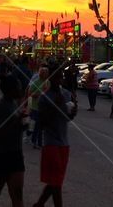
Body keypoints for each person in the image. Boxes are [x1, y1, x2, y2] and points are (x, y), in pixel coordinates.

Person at [35, 72, 77, 207]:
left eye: (60, 77)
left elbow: (68, 118)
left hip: (64, 142)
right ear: (50, 79)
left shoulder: (65, 94)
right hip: (51, 142)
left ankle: (39, 204)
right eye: (56, 77)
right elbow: (41, 122)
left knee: (56, 180)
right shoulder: (44, 97)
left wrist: (73, 111)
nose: (59, 80)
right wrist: (55, 107)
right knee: (56, 181)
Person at [0, 76, 26, 207]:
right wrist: (18, 122)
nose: (21, 89)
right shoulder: (0, 108)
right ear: (10, 90)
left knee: (17, 194)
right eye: (18, 87)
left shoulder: (13, 104)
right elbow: (0, 133)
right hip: (0, 156)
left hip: (15, 154)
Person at [28, 67, 50, 148]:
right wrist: (38, 94)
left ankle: (40, 142)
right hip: (35, 107)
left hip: (44, 108)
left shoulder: (48, 83)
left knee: (41, 127)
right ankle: (34, 141)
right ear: (41, 74)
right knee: (36, 125)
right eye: (44, 73)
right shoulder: (36, 82)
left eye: (47, 73)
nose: (46, 75)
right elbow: (29, 94)